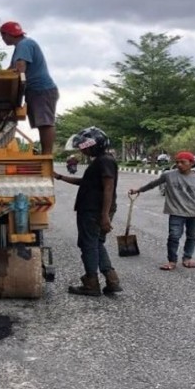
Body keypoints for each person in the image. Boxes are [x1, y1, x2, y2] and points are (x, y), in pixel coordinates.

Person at [54, 126, 122, 296]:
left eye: (86, 147)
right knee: (96, 243)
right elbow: (84, 182)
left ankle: (91, 283)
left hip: (94, 211)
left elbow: (109, 187)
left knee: (88, 245)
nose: (83, 150)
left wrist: (105, 215)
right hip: (95, 210)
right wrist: (59, 176)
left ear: (96, 145)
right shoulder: (100, 160)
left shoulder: (104, 161)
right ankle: (112, 280)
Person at [129, 151, 195, 270]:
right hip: (175, 212)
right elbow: (153, 184)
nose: (179, 165)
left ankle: (187, 258)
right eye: (177, 162)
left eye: (182, 162)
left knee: (192, 236)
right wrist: (138, 190)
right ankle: (172, 261)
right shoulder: (168, 175)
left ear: (191, 163)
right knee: (173, 236)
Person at [0, 21, 59, 155]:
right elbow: (11, 69)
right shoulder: (22, 45)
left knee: (45, 123)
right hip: (35, 91)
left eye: (3, 36)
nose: (3, 39)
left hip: (41, 90)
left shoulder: (24, 45)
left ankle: (47, 155)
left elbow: (20, 69)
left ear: (7, 35)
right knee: (41, 123)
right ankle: (45, 153)